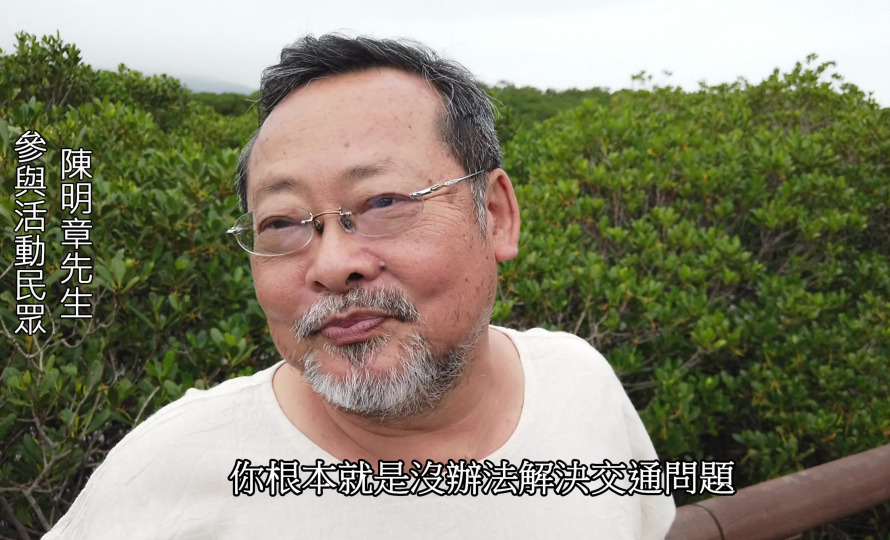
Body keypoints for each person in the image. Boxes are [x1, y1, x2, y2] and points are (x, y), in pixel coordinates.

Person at [44, 34, 676, 539]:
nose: (332, 263)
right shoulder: (171, 472)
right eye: (283, 223)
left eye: (383, 201)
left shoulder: (578, 382)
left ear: (496, 215)